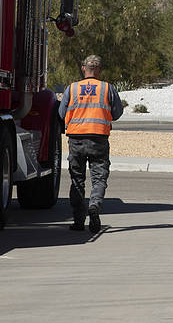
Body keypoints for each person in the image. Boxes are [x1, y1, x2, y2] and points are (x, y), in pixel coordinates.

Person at [59, 54, 123, 233]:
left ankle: (78, 221)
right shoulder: (107, 88)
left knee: (77, 180)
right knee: (99, 178)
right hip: (99, 139)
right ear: (99, 70)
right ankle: (94, 206)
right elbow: (117, 113)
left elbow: (62, 113)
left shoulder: (72, 88)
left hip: (76, 139)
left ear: (83, 68)